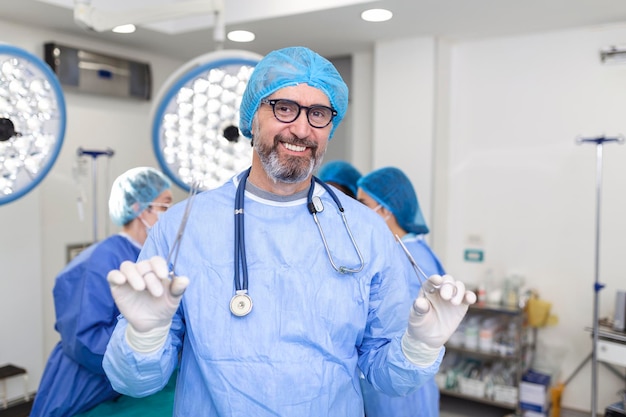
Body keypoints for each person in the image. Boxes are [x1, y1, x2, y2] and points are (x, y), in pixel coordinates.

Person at [102, 46, 476, 417]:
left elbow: (386, 377)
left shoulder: (365, 231)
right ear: (252, 117)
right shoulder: (184, 227)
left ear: (331, 126)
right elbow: (135, 383)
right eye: (284, 108)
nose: (301, 128)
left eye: (318, 114)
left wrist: (419, 347)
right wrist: (144, 336)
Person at [30, 167, 173, 417]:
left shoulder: (150, 255)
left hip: (123, 386)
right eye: (165, 206)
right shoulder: (99, 260)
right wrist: (143, 346)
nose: (171, 214)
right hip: (86, 387)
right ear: (140, 208)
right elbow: (85, 340)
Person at [357, 166, 446, 417]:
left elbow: (392, 328)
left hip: (398, 386)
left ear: (385, 210)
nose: (358, 211)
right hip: (402, 382)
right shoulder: (412, 248)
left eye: (363, 203)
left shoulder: (406, 259)